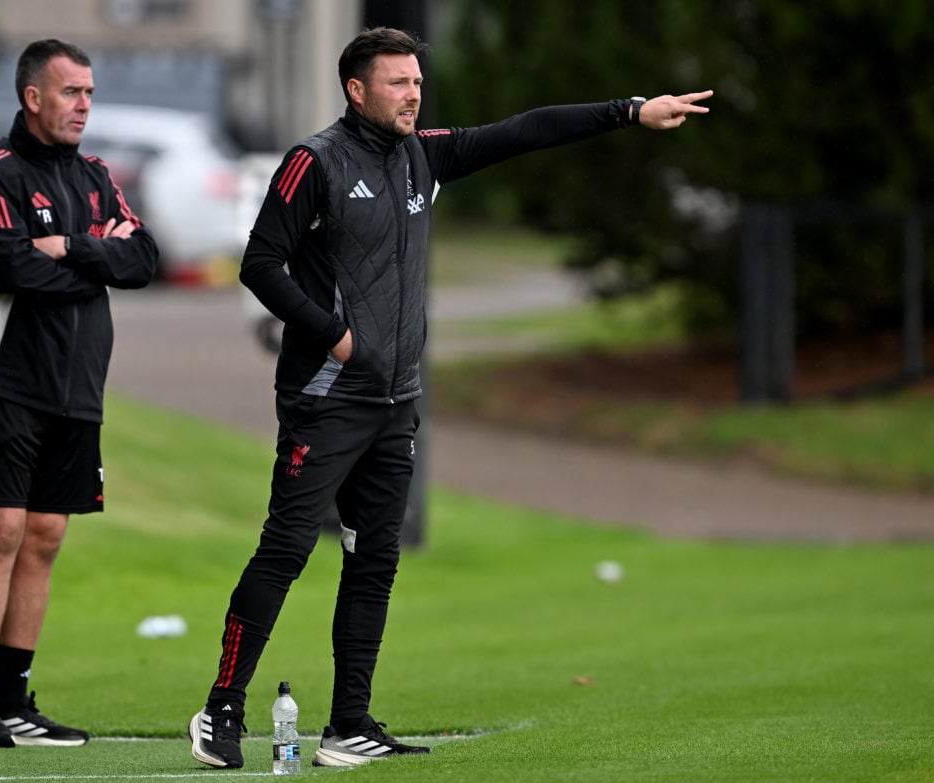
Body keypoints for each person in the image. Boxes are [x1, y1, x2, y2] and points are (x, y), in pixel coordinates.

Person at [189, 26, 710, 770]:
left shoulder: (421, 155)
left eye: (417, 81)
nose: (413, 93)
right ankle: (221, 709)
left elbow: (524, 131)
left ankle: (349, 723)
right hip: (325, 397)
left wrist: (630, 110)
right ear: (356, 89)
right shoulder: (315, 161)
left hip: (395, 401)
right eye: (397, 82)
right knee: (288, 548)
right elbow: (260, 264)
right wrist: (335, 335)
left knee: (374, 560)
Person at [0, 38, 158, 748]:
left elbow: (144, 259)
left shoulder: (99, 176)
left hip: (77, 388)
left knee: (44, 535)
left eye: (90, 93)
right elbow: (10, 270)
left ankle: (13, 697)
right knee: (0, 531)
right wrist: (101, 254)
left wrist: (71, 248)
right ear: (33, 97)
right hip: (4, 380)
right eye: (72, 93)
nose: (84, 106)